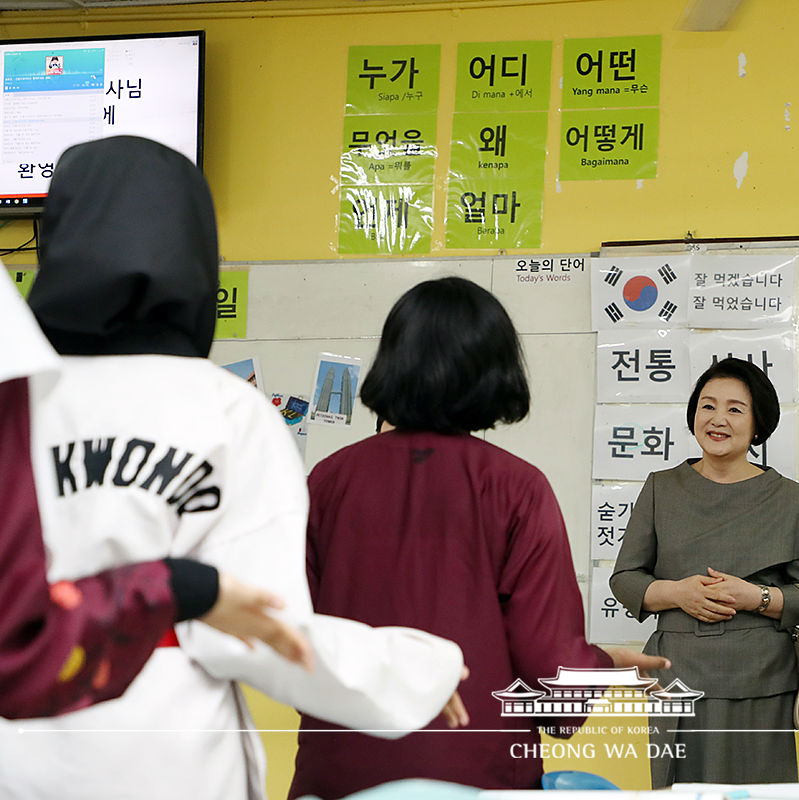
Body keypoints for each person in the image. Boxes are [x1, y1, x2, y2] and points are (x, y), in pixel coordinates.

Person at [1, 136, 466, 800]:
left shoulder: (13, 399)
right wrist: (415, 673)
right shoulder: (226, 410)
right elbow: (255, 628)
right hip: (165, 754)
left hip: (15, 743)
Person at [291, 277, 670, 797]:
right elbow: (554, 674)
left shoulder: (325, 482)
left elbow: (289, 637)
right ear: (495, 371)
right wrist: (601, 664)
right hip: (476, 770)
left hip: (338, 767)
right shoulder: (517, 488)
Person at [0, 275, 312, 719]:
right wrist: (181, 588)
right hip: (165, 714)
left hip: (53, 712)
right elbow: (268, 627)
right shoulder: (228, 404)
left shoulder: (28, 394)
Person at [611, 357, 799, 788]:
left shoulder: (791, 499)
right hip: (676, 675)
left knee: (759, 793)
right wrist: (678, 593)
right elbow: (625, 579)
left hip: (760, 678)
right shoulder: (661, 487)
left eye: (735, 409)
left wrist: (758, 598)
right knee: (677, 791)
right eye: (707, 406)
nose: (717, 419)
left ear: (758, 424)